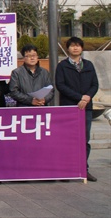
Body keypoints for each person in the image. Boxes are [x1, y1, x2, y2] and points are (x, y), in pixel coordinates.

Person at [55, 37, 99, 182]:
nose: (75, 48)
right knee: (67, 139)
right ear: (68, 48)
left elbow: (94, 84)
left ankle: (83, 169)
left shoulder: (89, 65)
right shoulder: (62, 66)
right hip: (69, 107)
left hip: (86, 107)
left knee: (84, 139)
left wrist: (87, 98)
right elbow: (60, 85)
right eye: (72, 46)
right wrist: (79, 97)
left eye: (78, 46)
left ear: (81, 48)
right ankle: (67, 170)